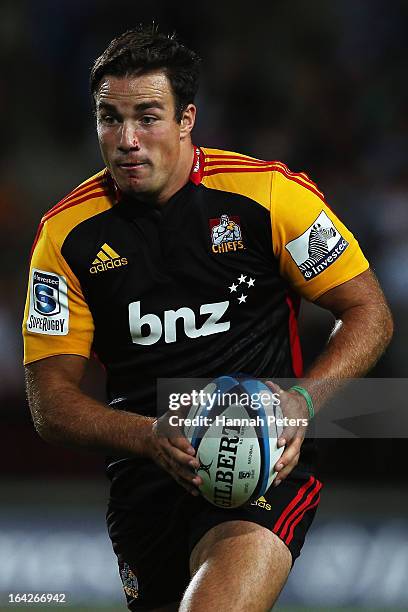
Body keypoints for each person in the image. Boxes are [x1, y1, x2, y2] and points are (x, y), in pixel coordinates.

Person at [23, 25, 393, 612]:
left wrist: (302, 403)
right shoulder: (66, 237)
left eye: (147, 117)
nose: (126, 140)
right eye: (109, 118)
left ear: (187, 119)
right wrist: (147, 436)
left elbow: (369, 312)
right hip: (146, 483)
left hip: (260, 471)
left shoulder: (270, 196)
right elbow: (48, 400)